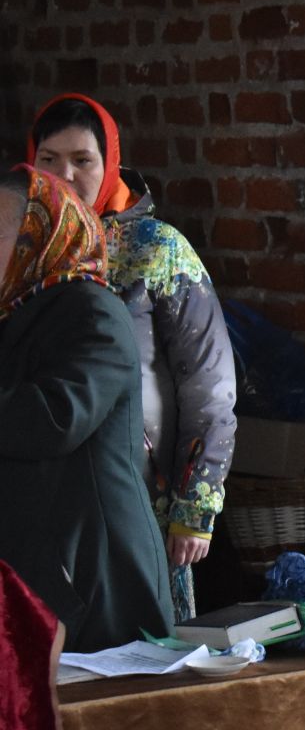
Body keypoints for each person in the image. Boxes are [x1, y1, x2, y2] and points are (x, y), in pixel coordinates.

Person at [29, 93, 238, 621]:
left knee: (151, 658)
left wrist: (196, 506)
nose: (65, 176)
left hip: (146, 502)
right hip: (48, 502)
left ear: (110, 163)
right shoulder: (22, 253)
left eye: (83, 160)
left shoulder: (156, 249)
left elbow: (208, 383)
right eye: (48, 160)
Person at [0, 167, 173, 652]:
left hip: (95, 572)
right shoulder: (15, 313)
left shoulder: (93, 311)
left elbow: (57, 417)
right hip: (38, 564)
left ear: (42, 236)